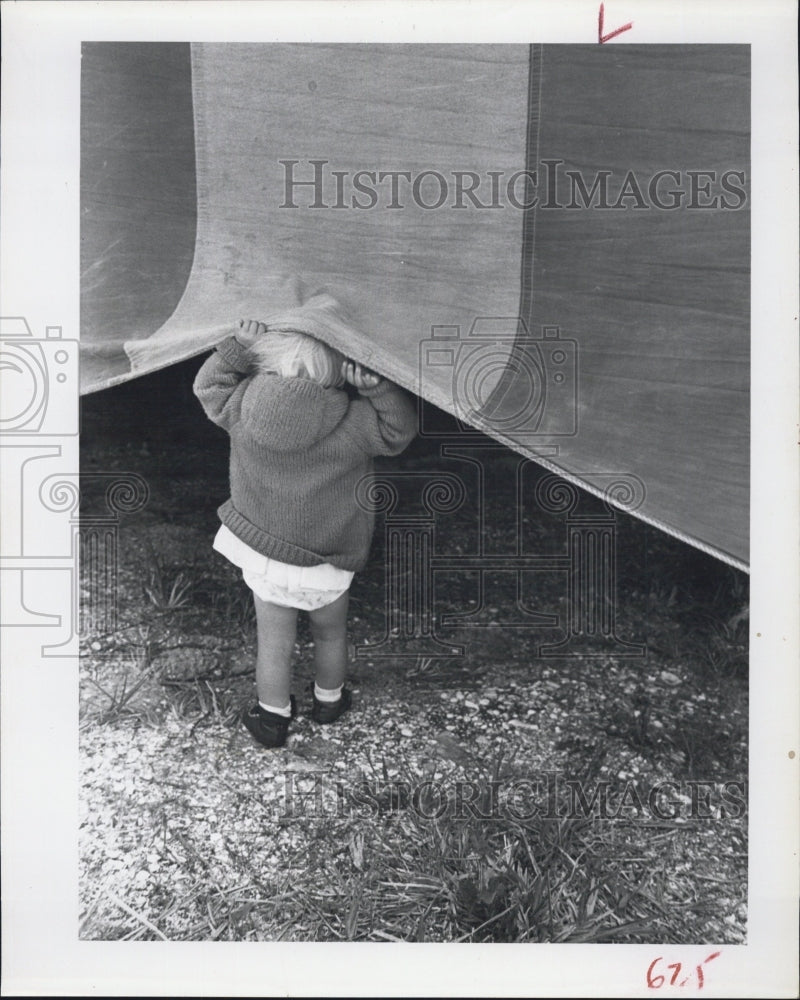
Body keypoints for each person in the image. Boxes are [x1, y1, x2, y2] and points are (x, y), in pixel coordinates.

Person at [193, 314, 417, 748]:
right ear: (337, 370)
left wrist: (238, 347)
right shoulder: (354, 424)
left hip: (265, 559)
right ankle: (329, 702)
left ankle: (272, 719)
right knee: (331, 633)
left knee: (274, 643)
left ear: (267, 359)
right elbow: (399, 431)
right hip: (326, 565)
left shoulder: (239, 404)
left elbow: (207, 386)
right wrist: (376, 386)